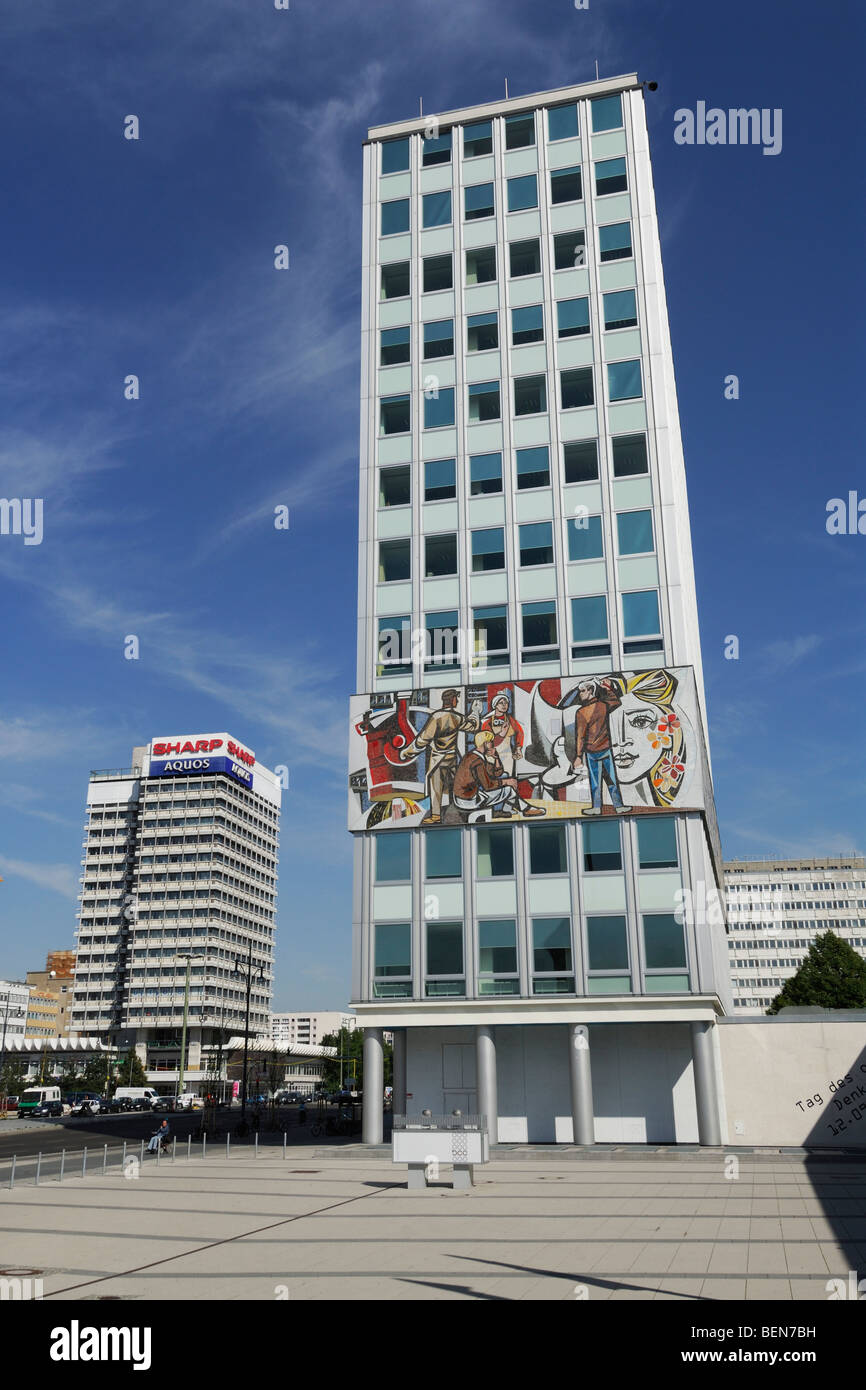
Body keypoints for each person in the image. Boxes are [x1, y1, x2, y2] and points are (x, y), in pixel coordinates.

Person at [397, 689, 482, 823]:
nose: (457, 701)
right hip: (453, 758)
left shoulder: (436, 717)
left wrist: (406, 752)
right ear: (451, 699)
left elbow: (422, 740)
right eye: (456, 698)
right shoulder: (457, 717)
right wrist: (475, 712)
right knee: (458, 786)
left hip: (438, 759)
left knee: (436, 788)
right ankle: (461, 811)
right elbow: (473, 727)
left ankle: (436, 816)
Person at [452, 731, 545, 821]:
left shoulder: (472, 756)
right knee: (508, 789)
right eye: (491, 742)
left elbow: (497, 773)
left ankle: (506, 810)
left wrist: (496, 757)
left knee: (505, 778)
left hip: (465, 797)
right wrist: (507, 782)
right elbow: (488, 786)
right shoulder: (477, 761)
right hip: (469, 801)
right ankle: (526, 810)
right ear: (485, 743)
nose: (492, 744)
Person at [569, 678, 629, 815]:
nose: (580, 694)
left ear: (591, 691)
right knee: (611, 780)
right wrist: (607, 688)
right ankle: (618, 806)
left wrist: (578, 756)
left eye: (583, 691)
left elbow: (580, 736)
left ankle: (597, 808)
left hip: (592, 752)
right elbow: (616, 701)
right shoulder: (603, 705)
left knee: (596, 782)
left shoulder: (581, 712)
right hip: (605, 749)